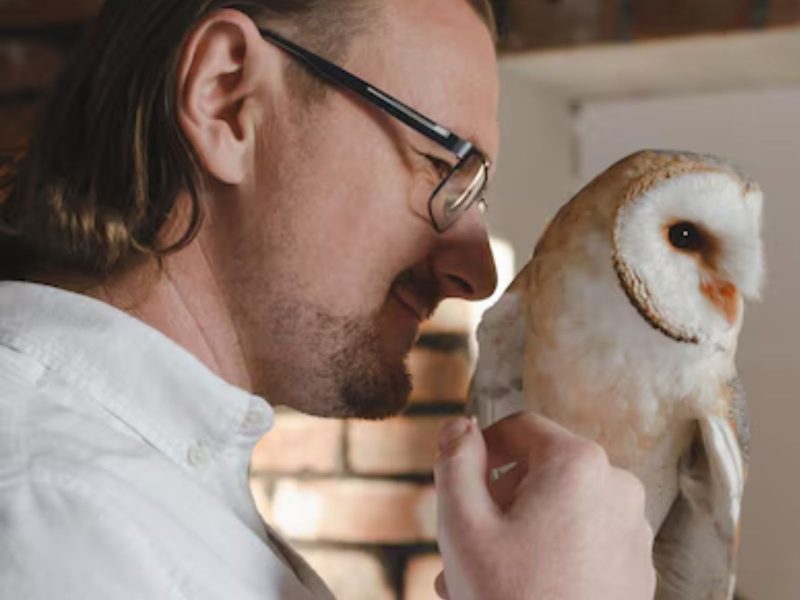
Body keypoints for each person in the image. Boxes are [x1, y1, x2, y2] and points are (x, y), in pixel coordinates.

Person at [0, 0, 655, 598]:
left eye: (475, 192)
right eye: (440, 164)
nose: (478, 272)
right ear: (226, 98)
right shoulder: (55, 514)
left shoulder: (149, 505)